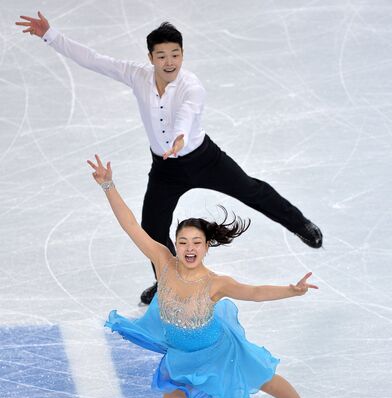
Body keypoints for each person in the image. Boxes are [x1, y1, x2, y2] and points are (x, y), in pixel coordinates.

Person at [16, 13, 324, 306]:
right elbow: (95, 61)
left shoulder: (192, 86)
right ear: (150, 58)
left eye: (175, 55)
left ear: (182, 55)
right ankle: (167, 281)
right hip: (165, 169)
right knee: (152, 228)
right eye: (162, 56)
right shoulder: (137, 76)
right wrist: (50, 35)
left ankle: (300, 224)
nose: (169, 62)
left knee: (251, 191)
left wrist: (179, 137)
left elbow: (187, 113)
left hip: (203, 158)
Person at [86, 154, 335, 398]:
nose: (189, 248)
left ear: (206, 247)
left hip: (219, 351)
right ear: (175, 244)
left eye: (196, 243)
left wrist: (292, 291)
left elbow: (256, 292)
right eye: (183, 242)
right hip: (180, 356)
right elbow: (131, 225)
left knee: (266, 379)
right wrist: (108, 186)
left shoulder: (216, 283)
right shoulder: (163, 262)